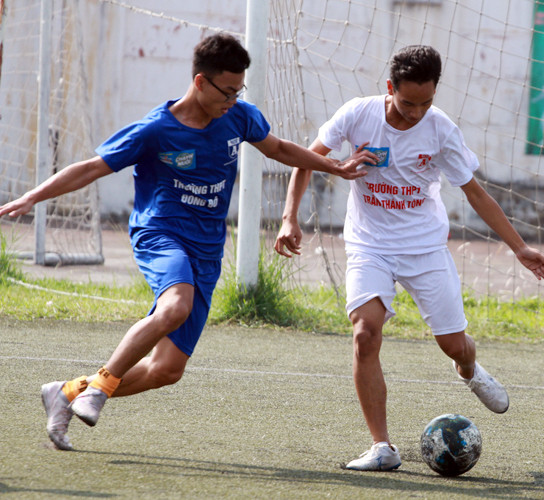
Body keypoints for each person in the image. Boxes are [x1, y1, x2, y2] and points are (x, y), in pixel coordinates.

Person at [0, 33, 375, 451]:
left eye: (239, 91)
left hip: (206, 249)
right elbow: (91, 168)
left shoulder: (239, 116)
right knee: (175, 307)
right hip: (161, 233)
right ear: (200, 82)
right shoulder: (156, 130)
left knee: (166, 370)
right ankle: (101, 387)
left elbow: (280, 149)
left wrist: (334, 167)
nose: (233, 99)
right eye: (227, 91)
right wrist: (32, 197)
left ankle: (67, 392)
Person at [274, 45, 544, 471]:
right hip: (369, 245)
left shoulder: (441, 130)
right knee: (365, 334)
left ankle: (469, 369)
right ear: (390, 88)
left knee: (453, 345)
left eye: (426, 103)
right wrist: (289, 218)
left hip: (424, 248)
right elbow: (307, 160)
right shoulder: (358, 114)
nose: (417, 113)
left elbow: (475, 193)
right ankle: (382, 447)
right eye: (408, 103)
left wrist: (519, 247)